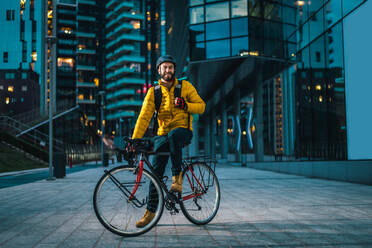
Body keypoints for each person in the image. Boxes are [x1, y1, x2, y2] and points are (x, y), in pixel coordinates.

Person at [131, 55, 205, 228]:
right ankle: (150, 213)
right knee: (155, 172)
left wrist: (186, 105)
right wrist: (135, 139)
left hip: (183, 131)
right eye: (164, 67)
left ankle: (177, 180)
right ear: (159, 70)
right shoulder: (153, 92)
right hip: (162, 134)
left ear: (174, 70)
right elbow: (144, 117)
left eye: (170, 67)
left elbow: (201, 106)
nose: (168, 70)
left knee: (174, 136)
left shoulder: (185, 87)